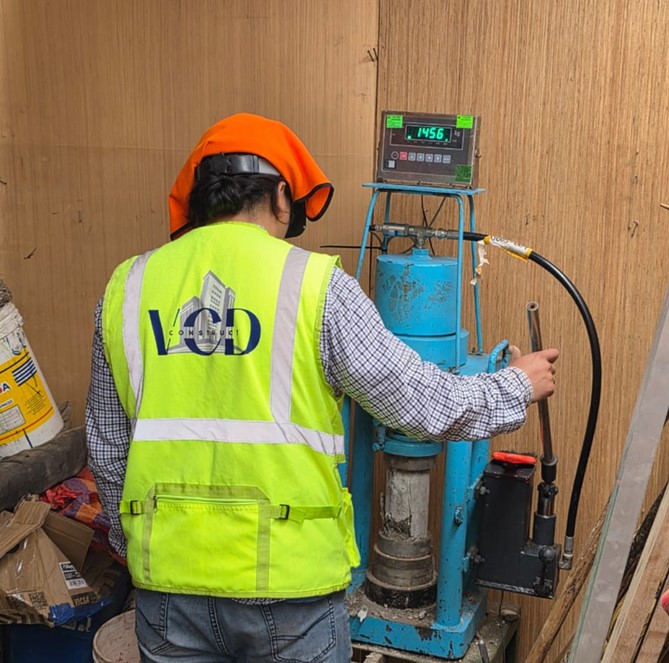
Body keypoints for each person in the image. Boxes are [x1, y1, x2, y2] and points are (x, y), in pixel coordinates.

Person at [86, 112, 559, 663]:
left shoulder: (127, 288)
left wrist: (142, 556)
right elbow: (421, 404)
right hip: (290, 597)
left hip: (167, 592)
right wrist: (515, 386)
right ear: (281, 197)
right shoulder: (314, 286)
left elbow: (109, 451)